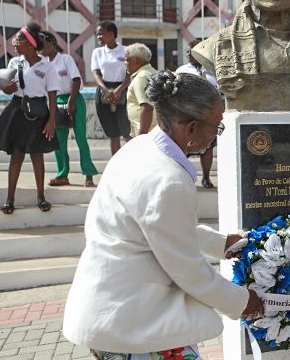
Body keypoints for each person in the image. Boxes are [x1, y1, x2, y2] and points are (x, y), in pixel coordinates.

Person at [62, 70, 264, 358]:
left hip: (117, 313)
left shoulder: (140, 147)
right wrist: (242, 302)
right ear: (191, 129)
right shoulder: (168, 179)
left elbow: (156, 227)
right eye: (217, 127)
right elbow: (187, 269)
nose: (217, 136)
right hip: (134, 324)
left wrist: (220, 244)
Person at [0, 24, 59, 214]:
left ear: (30, 43)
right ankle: (9, 199)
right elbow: (3, 85)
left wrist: (52, 121)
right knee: (17, 156)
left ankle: (41, 197)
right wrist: (6, 88)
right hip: (18, 110)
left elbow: (52, 96)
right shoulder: (14, 63)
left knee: (37, 156)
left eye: (18, 40)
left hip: (39, 112)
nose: (15, 44)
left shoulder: (47, 66)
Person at [40, 32, 98, 188]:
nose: (40, 47)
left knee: (80, 139)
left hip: (74, 98)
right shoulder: (43, 64)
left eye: (42, 43)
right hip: (56, 101)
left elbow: (76, 80)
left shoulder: (66, 59)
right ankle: (62, 174)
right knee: (58, 141)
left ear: (52, 43)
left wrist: (72, 102)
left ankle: (89, 174)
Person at [176, 39, 219, 188]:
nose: (188, 54)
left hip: (208, 117)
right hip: (187, 116)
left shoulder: (214, 70)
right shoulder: (181, 70)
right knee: (183, 146)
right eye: (187, 51)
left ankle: (206, 178)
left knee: (208, 147)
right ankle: (182, 178)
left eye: (191, 51)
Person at [91, 21, 130, 155]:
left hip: (123, 90)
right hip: (104, 92)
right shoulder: (97, 52)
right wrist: (106, 91)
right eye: (97, 35)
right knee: (113, 134)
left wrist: (119, 90)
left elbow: (130, 74)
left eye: (101, 34)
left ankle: (134, 164)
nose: (98, 37)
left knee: (126, 131)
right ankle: (116, 166)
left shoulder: (126, 51)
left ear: (111, 34)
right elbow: (96, 73)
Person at [125, 43, 157, 138]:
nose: (125, 63)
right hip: (154, 131)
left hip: (148, 133)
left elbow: (147, 107)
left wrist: (142, 137)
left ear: (137, 61)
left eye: (127, 60)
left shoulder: (141, 77)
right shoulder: (152, 72)